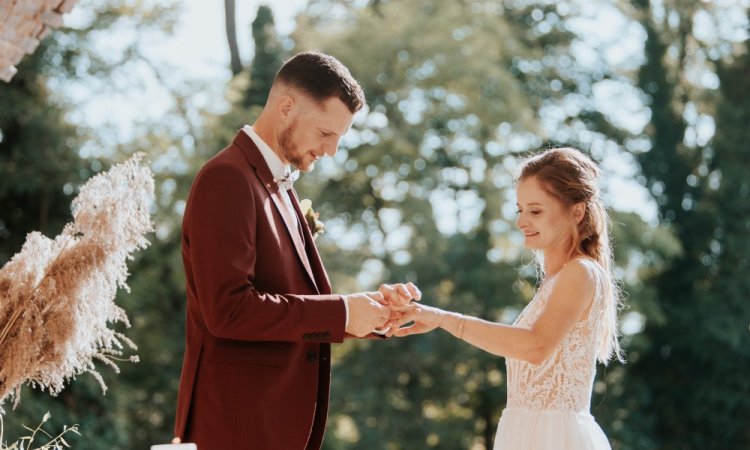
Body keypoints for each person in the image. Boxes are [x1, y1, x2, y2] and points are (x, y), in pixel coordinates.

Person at [173, 51, 420, 450]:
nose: (332, 151)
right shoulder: (228, 178)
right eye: (326, 134)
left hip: (272, 429)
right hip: (236, 428)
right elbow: (228, 311)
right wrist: (340, 313)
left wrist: (368, 312)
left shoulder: (280, 188)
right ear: (286, 107)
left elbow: (297, 302)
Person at [387, 147, 623, 450]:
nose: (521, 221)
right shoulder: (556, 281)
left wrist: (442, 318)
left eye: (535, 211)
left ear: (576, 211)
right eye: (519, 210)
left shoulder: (581, 272)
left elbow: (535, 346)